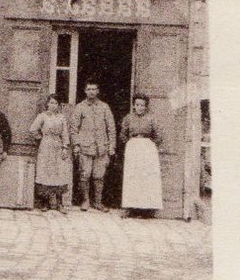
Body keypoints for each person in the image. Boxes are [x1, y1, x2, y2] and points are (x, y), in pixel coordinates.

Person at [70, 80, 116, 212]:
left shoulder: (104, 107)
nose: (91, 92)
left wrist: (111, 146)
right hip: (85, 147)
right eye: (89, 89)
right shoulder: (80, 107)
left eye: (94, 89)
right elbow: (74, 128)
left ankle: (98, 202)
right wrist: (76, 145)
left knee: (99, 176)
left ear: (98, 91)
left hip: (101, 147)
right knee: (85, 175)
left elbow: (111, 128)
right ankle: (85, 201)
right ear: (85, 91)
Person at [120, 93, 163, 217]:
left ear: (146, 107)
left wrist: (150, 145)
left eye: (142, 105)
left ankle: (147, 210)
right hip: (133, 148)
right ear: (133, 105)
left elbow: (158, 135)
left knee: (146, 177)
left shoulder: (151, 119)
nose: (140, 107)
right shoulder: (128, 118)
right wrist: (129, 142)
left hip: (147, 149)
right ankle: (130, 208)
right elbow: (123, 134)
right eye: (137, 105)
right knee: (132, 177)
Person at [29, 94, 71, 214]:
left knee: (59, 172)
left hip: (57, 145)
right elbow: (32, 130)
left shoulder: (61, 117)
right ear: (47, 104)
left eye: (56, 103)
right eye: (51, 103)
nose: (53, 105)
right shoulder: (42, 116)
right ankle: (45, 202)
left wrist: (64, 147)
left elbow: (65, 134)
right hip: (46, 145)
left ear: (59, 105)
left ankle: (59, 202)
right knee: (45, 172)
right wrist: (41, 137)